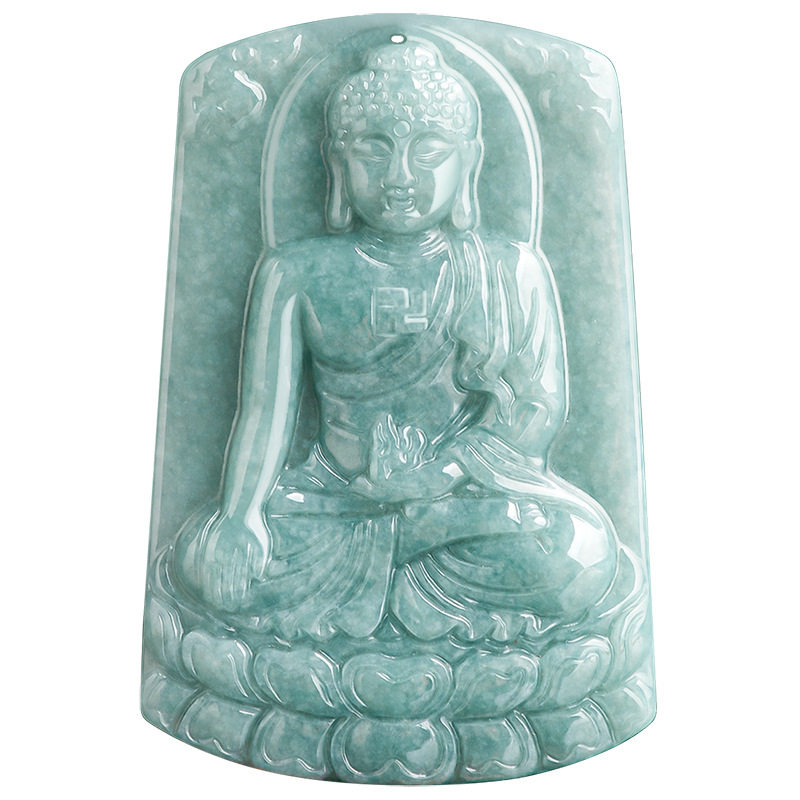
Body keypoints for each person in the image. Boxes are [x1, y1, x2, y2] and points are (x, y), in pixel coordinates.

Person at [172, 39, 622, 644]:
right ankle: (401, 549)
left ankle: (394, 551)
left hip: (462, 501)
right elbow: (263, 413)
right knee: (205, 555)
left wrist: (441, 474)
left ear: (470, 161)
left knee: (580, 552)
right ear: (337, 162)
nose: (401, 177)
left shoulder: (510, 269)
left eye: (429, 151)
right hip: (334, 498)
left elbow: (538, 410)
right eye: (373, 150)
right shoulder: (294, 272)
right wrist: (242, 513)